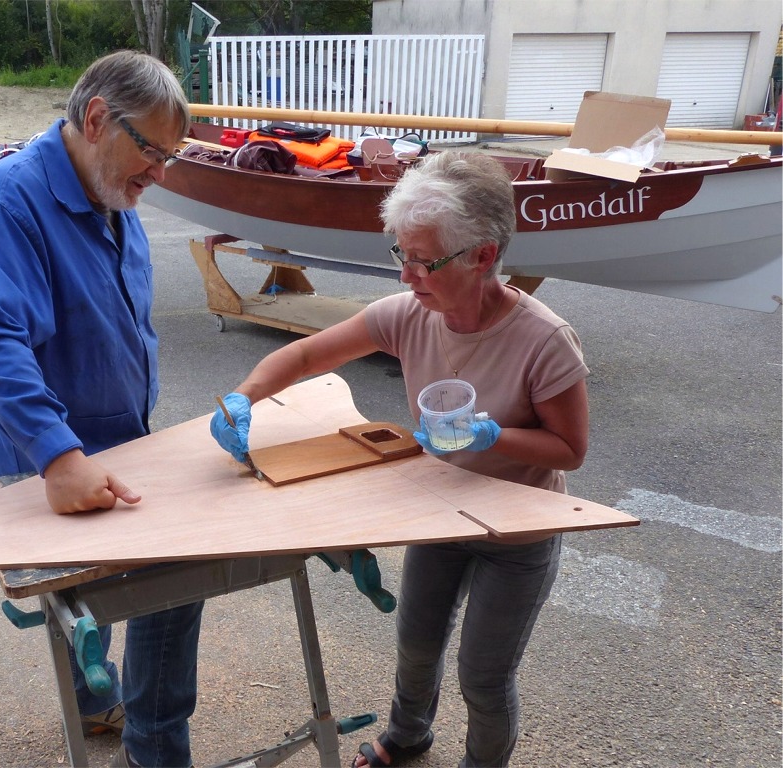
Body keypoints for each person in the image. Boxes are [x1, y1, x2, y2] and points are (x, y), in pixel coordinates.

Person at [210, 151, 589, 767]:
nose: (406, 275)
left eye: (423, 260)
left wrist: (493, 437)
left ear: (484, 255)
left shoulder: (545, 340)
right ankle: (407, 735)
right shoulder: (410, 315)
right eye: (401, 255)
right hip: (440, 512)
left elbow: (570, 449)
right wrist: (242, 397)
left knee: (483, 677)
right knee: (415, 645)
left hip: (518, 530)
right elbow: (307, 358)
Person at [0, 50, 202, 768]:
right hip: (54, 458)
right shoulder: (13, 200)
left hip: (123, 439)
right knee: (162, 588)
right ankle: (149, 745)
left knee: (158, 588)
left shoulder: (109, 189)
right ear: (97, 119)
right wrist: (59, 459)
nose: (160, 174)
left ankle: (118, 719)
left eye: (170, 158)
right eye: (153, 151)